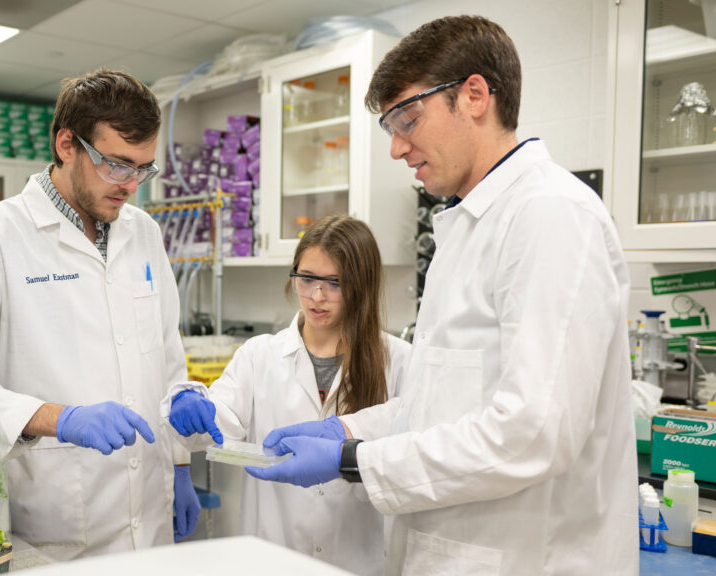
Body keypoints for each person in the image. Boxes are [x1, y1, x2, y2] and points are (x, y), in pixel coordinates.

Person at [247, 15, 638, 575]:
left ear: (474, 96)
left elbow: (534, 432)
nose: (397, 148)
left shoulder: (550, 215)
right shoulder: (467, 224)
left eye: (407, 118)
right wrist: (349, 428)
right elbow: (443, 405)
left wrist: (353, 458)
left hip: (527, 559)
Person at [0, 69, 199, 560]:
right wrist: (55, 418)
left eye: (143, 169)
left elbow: (167, 354)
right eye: (116, 165)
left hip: (150, 516)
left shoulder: (143, 232)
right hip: (57, 528)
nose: (130, 187)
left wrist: (182, 465)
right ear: (67, 144)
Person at [160, 215, 409, 574]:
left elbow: (416, 446)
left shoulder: (398, 361)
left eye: (334, 283)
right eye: (306, 279)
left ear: (362, 285)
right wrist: (193, 411)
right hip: (273, 558)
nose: (316, 296)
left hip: (361, 562)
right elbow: (218, 426)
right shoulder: (259, 355)